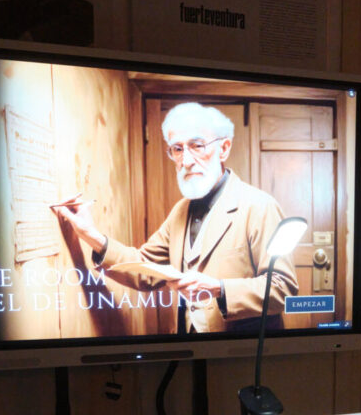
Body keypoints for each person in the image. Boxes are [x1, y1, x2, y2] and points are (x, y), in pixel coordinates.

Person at [55, 102, 299, 333]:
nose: (186, 161)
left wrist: (219, 288)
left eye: (197, 146)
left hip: (243, 353)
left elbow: (283, 289)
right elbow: (144, 269)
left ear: (223, 149)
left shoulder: (259, 206)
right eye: (178, 149)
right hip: (191, 350)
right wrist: (91, 235)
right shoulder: (181, 211)